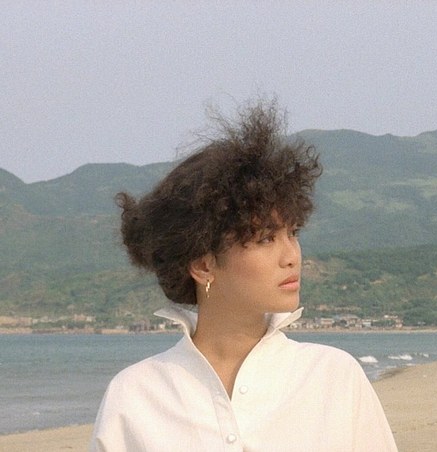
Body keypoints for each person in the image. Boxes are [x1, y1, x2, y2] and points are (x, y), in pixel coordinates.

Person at [90, 101, 397, 451]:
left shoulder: (333, 377)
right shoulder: (135, 396)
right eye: (266, 239)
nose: (292, 256)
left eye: (293, 233)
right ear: (203, 265)